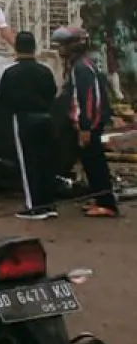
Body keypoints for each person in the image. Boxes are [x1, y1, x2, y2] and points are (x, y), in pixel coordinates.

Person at [53, 26, 119, 217]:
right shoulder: (80, 65)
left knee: (95, 163)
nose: (59, 50)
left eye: (63, 45)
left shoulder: (81, 69)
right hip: (88, 125)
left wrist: (85, 127)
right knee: (91, 163)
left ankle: (107, 204)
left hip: (88, 126)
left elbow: (88, 99)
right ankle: (101, 199)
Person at [0, 30, 59, 220]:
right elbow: (52, 93)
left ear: (16, 48)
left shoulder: (11, 72)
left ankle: (34, 207)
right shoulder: (45, 71)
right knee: (46, 162)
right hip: (45, 119)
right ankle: (49, 204)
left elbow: (1, 99)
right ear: (34, 48)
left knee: (28, 163)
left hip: (23, 119)